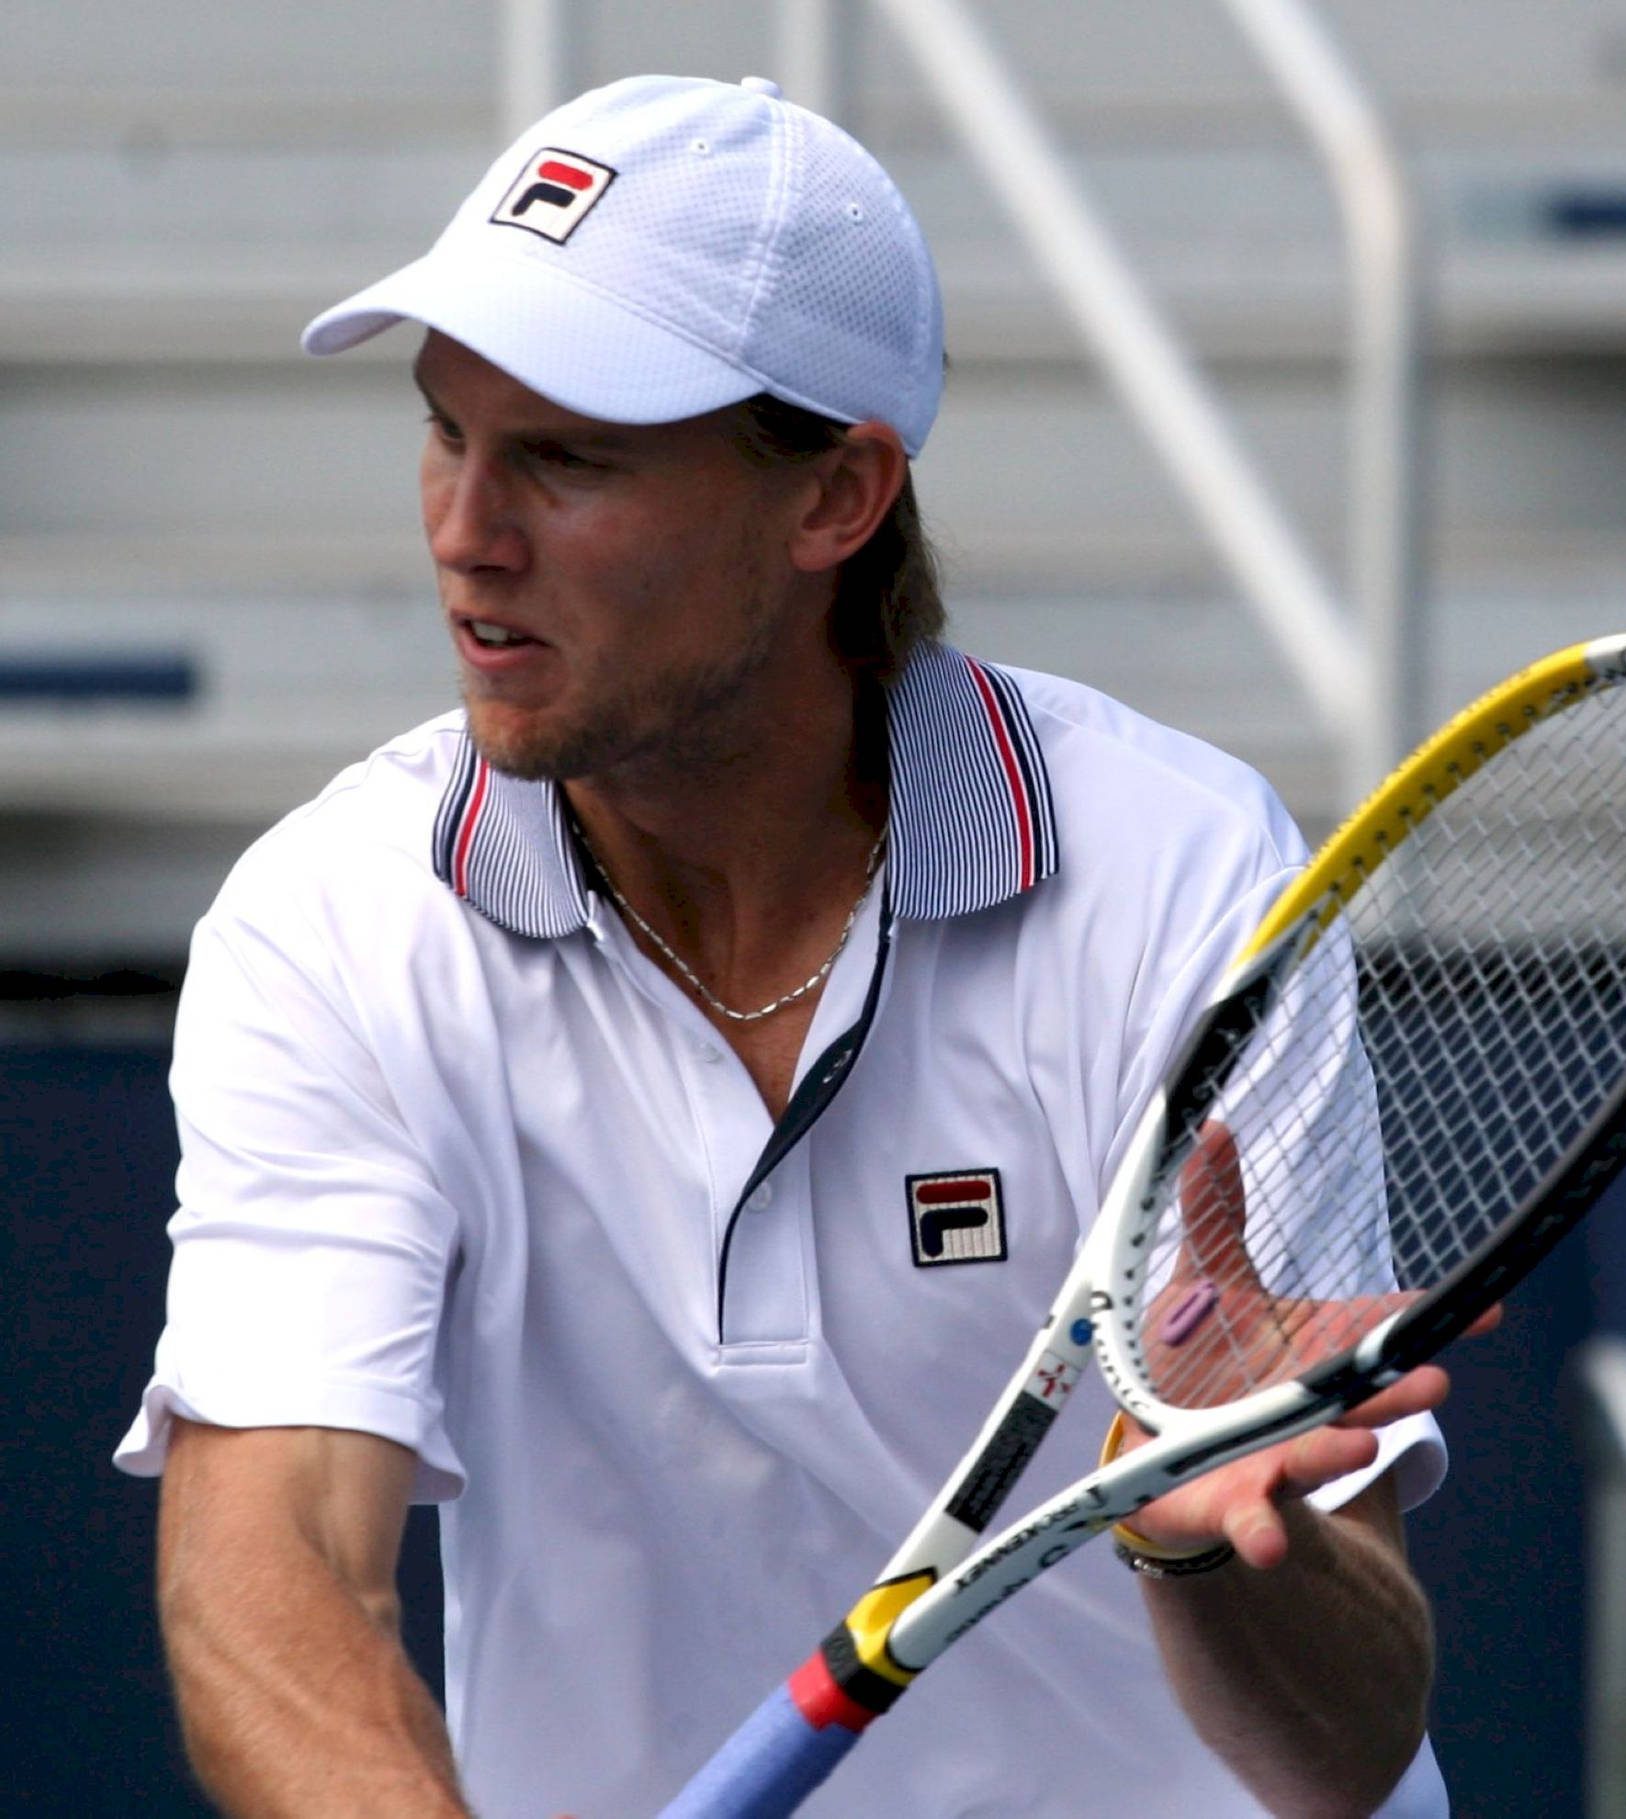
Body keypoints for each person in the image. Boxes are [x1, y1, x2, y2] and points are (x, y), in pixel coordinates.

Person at [116, 74, 1455, 1818]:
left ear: (836, 497)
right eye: (448, 432)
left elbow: (1341, 1754)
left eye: (568, 460)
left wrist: (1206, 1552)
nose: (465, 531)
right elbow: (273, 1570)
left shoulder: (1185, 879)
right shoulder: (332, 926)